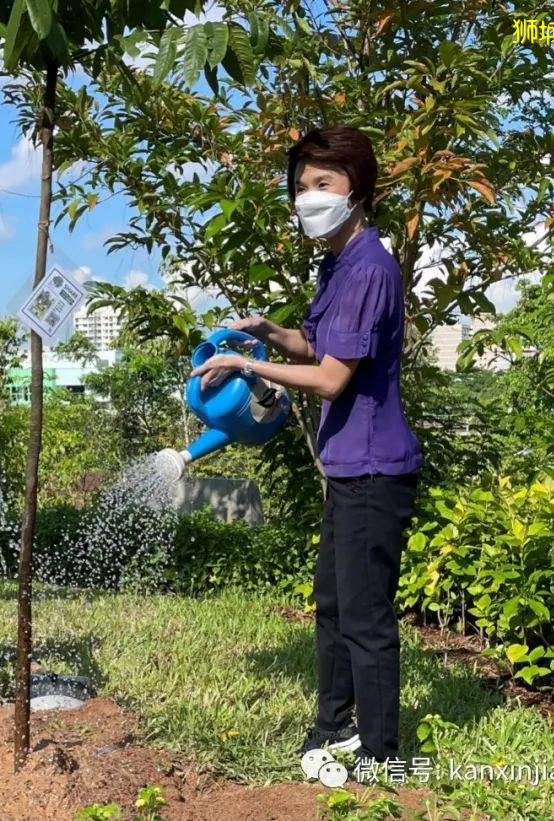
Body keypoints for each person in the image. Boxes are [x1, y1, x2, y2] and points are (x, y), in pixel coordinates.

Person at [190, 125, 423, 764]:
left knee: (366, 617)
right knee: (331, 604)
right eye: (301, 186)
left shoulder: (370, 267)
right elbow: (317, 346)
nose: (309, 197)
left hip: (376, 467)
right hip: (351, 464)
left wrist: (247, 366)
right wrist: (269, 332)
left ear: (358, 190)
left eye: (324, 183)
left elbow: (330, 378)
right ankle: (334, 724)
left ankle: (380, 755)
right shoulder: (339, 263)